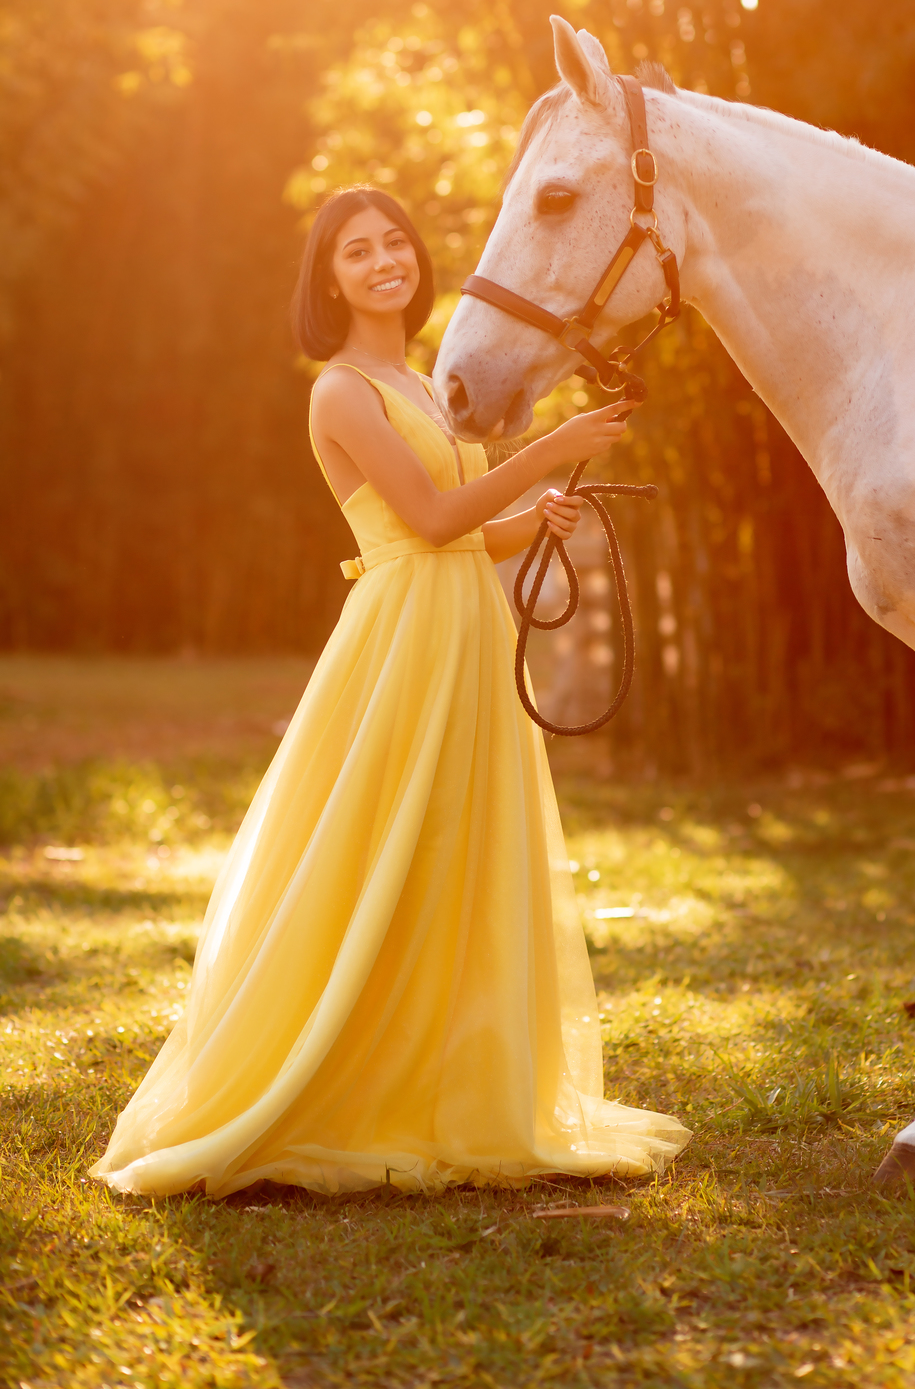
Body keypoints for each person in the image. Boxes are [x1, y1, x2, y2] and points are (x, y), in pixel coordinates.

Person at [91, 185, 689, 1197]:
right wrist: (543, 453)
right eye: (358, 252)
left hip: (465, 624)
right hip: (404, 638)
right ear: (330, 279)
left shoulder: (419, 380)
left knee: (458, 842)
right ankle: (324, 1072)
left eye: (395, 244)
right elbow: (426, 518)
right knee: (377, 844)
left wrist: (537, 513)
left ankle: (444, 1075)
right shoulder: (341, 391)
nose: (384, 262)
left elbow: (471, 530)